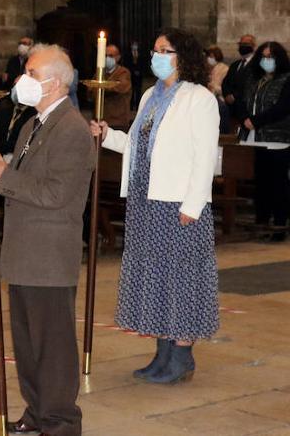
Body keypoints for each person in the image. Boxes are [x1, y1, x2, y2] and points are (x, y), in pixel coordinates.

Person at [0, 45, 94, 436]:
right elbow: (30, 177)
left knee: (52, 347)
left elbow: (56, 193)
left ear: (55, 81)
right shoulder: (34, 123)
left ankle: (60, 422)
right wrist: (2, 168)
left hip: (48, 256)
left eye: (30, 72)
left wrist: (4, 175)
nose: (21, 80)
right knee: (27, 345)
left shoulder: (73, 129)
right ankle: (37, 412)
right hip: (25, 251)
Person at [92, 27, 219, 384]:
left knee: (181, 279)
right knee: (156, 277)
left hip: (178, 203)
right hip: (146, 201)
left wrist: (192, 205)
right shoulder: (150, 94)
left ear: (184, 57)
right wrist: (107, 135)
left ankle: (182, 357)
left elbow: (205, 156)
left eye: (165, 50)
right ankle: (162, 355)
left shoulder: (199, 98)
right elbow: (137, 144)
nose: (157, 56)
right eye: (155, 49)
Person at [240, 41, 290, 240]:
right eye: (263, 56)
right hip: (254, 138)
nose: (266, 60)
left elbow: (283, 107)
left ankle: (279, 226)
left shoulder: (286, 79)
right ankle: (262, 223)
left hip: (277, 138)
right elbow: (243, 101)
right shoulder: (255, 79)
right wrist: (246, 118)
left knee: (278, 184)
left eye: (271, 57)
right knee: (261, 184)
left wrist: (256, 120)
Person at [222, 33, 257, 130]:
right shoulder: (235, 64)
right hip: (231, 108)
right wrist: (227, 94)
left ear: (253, 46)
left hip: (245, 107)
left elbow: (252, 84)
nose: (243, 46)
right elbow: (225, 82)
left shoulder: (256, 65)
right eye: (241, 44)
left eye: (246, 44)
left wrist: (234, 96)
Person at [103, 44, 134, 130]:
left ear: (118, 57)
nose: (107, 58)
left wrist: (102, 86)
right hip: (103, 119)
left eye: (110, 56)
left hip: (118, 121)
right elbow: (91, 90)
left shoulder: (123, 72)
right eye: (105, 55)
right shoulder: (100, 73)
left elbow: (120, 87)